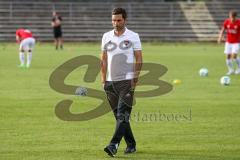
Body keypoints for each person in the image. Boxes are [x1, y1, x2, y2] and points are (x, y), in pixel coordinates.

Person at [100, 8, 142, 157]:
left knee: (123, 114)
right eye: (113, 20)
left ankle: (113, 145)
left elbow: (139, 59)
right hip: (110, 83)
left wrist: (135, 79)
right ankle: (131, 144)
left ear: (125, 20)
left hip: (127, 82)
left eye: (118, 20)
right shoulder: (106, 36)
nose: (115, 23)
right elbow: (103, 59)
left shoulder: (133, 36)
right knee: (120, 116)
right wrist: (103, 79)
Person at [218, 10, 240, 75]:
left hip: (236, 42)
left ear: (236, 17)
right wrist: (220, 37)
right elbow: (223, 30)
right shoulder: (227, 22)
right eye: (230, 17)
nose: (232, 19)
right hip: (228, 42)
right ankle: (231, 70)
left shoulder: (239, 23)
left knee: (234, 56)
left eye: (233, 17)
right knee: (228, 56)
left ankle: (239, 68)